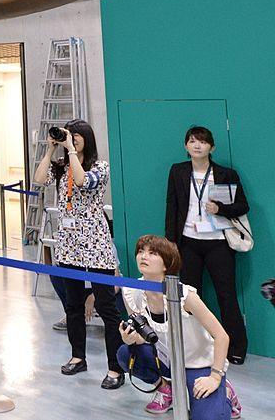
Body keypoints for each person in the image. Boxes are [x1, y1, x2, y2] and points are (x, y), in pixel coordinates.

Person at [32, 119, 125, 389]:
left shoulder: (100, 166)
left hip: (95, 244)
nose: (72, 138)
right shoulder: (61, 168)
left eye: (77, 135)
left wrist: (71, 151)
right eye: (68, 135)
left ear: (87, 138)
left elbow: (83, 182)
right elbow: (39, 180)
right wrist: (51, 150)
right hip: (69, 243)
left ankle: (115, 367)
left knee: (107, 308)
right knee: (72, 306)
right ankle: (77, 356)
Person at [120, 235, 241, 419]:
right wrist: (130, 338)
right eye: (140, 251)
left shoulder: (186, 295)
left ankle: (225, 392)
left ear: (166, 264)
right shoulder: (131, 291)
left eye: (152, 253)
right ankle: (166, 389)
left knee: (207, 417)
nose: (143, 256)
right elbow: (145, 336)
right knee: (125, 353)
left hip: (199, 364)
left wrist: (215, 377)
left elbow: (222, 336)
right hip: (167, 361)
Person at [165, 125, 250, 364]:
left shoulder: (225, 174)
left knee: (227, 295)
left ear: (211, 147)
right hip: (188, 243)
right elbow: (171, 208)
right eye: (192, 141)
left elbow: (243, 206)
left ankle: (236, 347)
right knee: (191, 298)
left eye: (202, 141)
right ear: (186, 146)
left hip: (218, 243)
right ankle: (196, 346)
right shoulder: (178, 171)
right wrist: (171, 244)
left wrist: (220, 209)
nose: (197, 145)